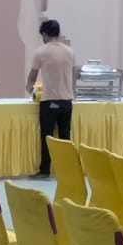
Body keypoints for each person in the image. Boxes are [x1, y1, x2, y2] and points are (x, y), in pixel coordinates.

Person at [27, 18, 78, 178]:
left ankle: (44, 170)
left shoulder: (41, 52)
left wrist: (29, 89)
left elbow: (33, 76)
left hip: (49, 100)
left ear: (44, 34)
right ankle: (67, 171)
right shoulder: (70, 51)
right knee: (65, 137)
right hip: (67, 100)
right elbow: (73, 74)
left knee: (47, 137)